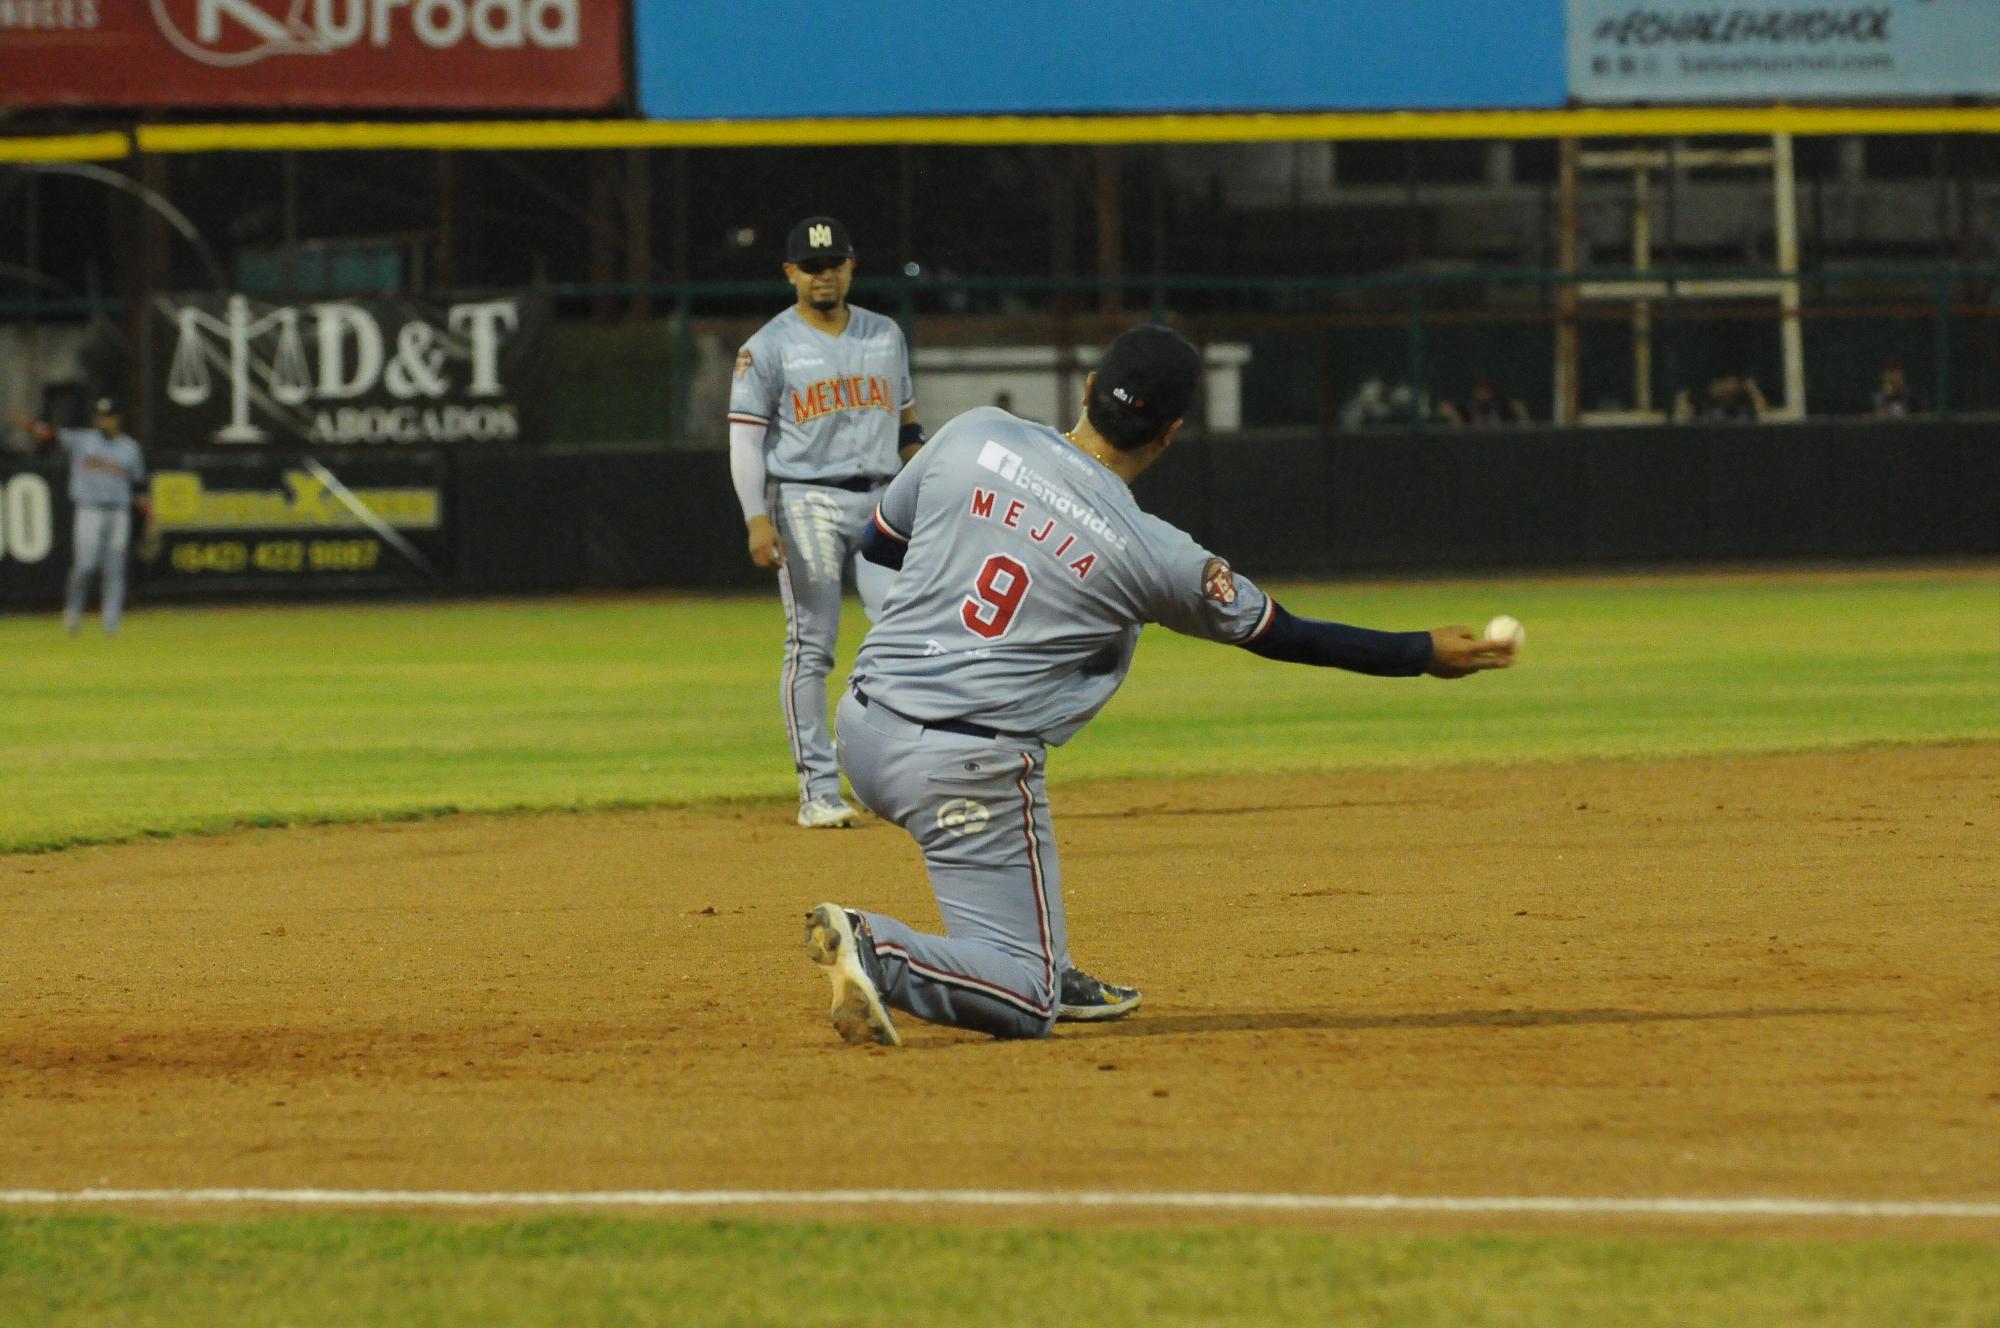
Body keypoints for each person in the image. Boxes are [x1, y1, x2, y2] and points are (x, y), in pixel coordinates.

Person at [801, 325, 1516, 1046]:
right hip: (960, 771)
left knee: (1024, 923)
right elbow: (1286, 634)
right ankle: (882, 950)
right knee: (1027, 1001)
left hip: (861, 727)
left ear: (1088, 388)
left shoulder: (973, 433)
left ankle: (1043, 959)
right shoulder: (1156, 555)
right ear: (1171, 433)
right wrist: (1421, 652)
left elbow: (881, 544)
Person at [727, 215, 926, 831]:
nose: (823, 276)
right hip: (804, 499)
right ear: (791, 272)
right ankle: (817, 789)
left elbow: (909, 427)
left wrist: (929, 492)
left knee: (905, 634)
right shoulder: (767, 346)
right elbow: (745, 442)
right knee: (812, 645)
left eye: (833, 264)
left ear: (850, 267)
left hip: (883, 500)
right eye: (811, 267)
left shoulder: (885, 334)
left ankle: (871, 761)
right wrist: (756, 517)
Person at [9, 397, 149, 636]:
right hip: (89, 509)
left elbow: (139, 486)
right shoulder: (83, 440)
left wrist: (149, 515)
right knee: (85, 565)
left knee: (114, 568)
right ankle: (73, 613)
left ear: (117, 419)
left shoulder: (130, 448)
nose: (104, 421)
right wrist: (31, 426)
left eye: (108, 417)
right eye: (101, 416)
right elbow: (50, 435)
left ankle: (111, 623)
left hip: (119, 512)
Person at [1437, 377, 1530, 427]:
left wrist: (1521, 413)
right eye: (1481, 389)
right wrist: (1454, 416)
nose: (1484, 393)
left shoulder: (1503, 407)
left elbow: (1524, 426)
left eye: (1487, 390)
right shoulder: (1465, 408)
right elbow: (1458, 427)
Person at [1673, 374, 1766, 423]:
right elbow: (1682, 420)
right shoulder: (1707, 413)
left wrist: (1754, 391)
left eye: (1731, 383)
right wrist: (1682, 400)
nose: (1727, 388)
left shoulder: (1746, 413)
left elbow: (1763, 418)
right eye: (1723, 383)